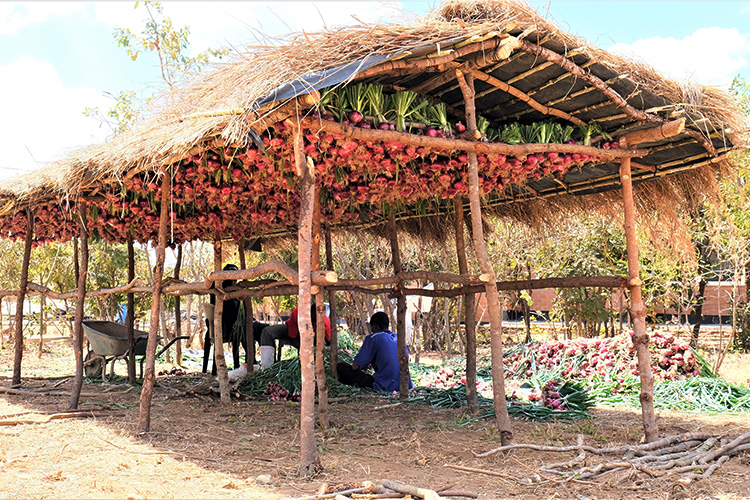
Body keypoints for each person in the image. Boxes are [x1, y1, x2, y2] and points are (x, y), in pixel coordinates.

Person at [337, 311, 413, 393]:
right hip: (405, 385)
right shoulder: (397, 337)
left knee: (342, 368)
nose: (371, 330)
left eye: (371, 327)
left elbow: (355, 366)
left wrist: (362, 365)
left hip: (384, 386)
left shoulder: (373, 338)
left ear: (375, 326)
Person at [259, 304, 330, 369]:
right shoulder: (297, 313)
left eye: (315, 322)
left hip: (311, 335)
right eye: (313, 320)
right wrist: (302, 349)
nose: (314, 323)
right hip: (293, 329)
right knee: (267, 332)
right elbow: (292, 337)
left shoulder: (325, 322)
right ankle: (267, 367)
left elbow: (329, 340)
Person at [203, 263, 243, 374]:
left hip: (229, 325)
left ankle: (240, 366)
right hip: (223, 326)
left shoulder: (234, 290)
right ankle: (235, 366)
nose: (234, 280)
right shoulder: (217, 286)